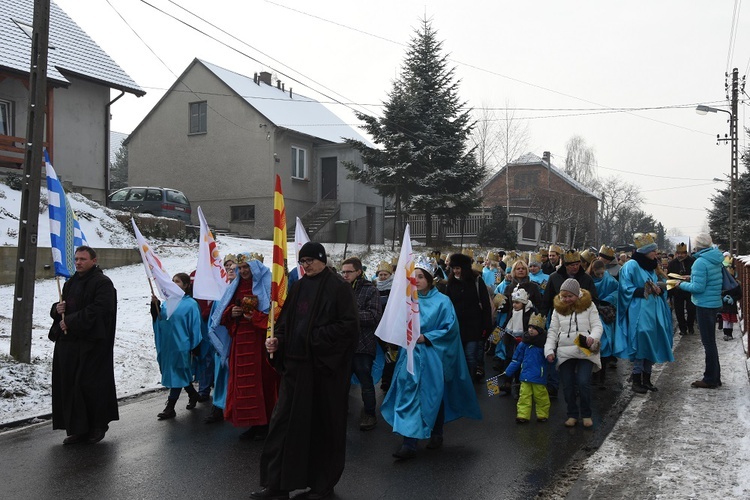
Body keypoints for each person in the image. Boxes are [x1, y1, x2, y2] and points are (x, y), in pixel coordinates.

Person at [252, 242, 359, 500]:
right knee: (283, 426)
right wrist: (278, 340)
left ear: (322, 259)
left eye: (310, 260)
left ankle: (322, 485)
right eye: (302, 261)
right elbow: (287, 322)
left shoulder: (339, 288)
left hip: (323, 372)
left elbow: (348, 328)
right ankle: (277, 484)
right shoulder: (298, 286)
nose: (306, 265)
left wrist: (311, 338)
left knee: (322, 428)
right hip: (295, 370)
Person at [381, 257, 481, 460]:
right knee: (408, 394)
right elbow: (398, 323)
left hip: (432, 356)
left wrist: (426, 337)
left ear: (429, 278)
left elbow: (450, 329)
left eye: (420, 276)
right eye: (413, 276)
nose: (416, 280)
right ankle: (409, 442)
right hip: (409, 356)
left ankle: (436, 433)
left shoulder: (442, 302)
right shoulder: (408, 300)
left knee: (433, 395)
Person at [49, 246, 118, 445]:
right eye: (76, 259)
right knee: (71, 386)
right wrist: (57, 309)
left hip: (93, 345)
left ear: (93, 261)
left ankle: (97, 426)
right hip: (70, 345)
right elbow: (64, 307)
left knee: (90, 386)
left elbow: (100, 310)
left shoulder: (102, 283)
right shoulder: (70, 283)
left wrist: (71, 320)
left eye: (83, 259)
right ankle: (78, 428)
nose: (78, 262)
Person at [211, 252, 279, 439]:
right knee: (243, 384)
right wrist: (231, 313)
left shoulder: (267, 285)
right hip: (240, 342)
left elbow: (276, 317)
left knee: (262, 383)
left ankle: (266, 424)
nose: (243, 271)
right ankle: (253, 423)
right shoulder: (235, 286)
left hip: (260, 343)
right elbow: (223, 315)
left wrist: (254, 317)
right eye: (240, 268)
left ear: (255, 267)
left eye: (246, 267)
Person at [614, 233, 674, 394]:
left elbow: (657, 284)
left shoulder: (651, 265)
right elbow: (625, 288)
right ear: (645, 251)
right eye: (653, 251)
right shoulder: (631, 265)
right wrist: (644, 290)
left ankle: (647, 379)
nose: (656, 254)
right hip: (639, 310)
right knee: (641, 341)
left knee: (652, 342)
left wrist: (659, 289)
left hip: (654, 309)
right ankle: (636, 379)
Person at [544, 279, 603, 428]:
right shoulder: (558, 309)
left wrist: (593, 337)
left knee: (583, 382)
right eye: (564, 296)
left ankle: (586, 414)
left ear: (577, 294)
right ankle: (572, 414)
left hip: (585, 348)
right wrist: (549, 349)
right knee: (568, 385)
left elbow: (597, 325)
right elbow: (552, 331)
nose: (567, 299)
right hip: (565, 349)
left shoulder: (589, 305)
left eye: (570, 296)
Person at [150, 273, 202, 420]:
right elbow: (161, 321)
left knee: (177, 374)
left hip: (182, 345)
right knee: (180, 373)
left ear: (186, 285)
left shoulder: (191, 304)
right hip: (168, 345)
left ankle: (170, 407)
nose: (174, 284)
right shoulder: (167, 302)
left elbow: (195, 326)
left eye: (177, 282)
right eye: (172, 281)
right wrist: (155, 308)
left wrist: (195, 345)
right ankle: (193, 394)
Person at [674, 234, 723, 388]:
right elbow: (709, 281)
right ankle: (715, 376)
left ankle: (710, 379)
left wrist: (679, 285)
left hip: (704, 304)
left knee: (708, 343)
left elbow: (698, 288)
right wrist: (691, 278)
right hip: (714, 302)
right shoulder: (715, 258)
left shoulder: (700, 262)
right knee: (711, 343)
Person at [341, 257, 383, 431]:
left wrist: (351, 316)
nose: (345, 275)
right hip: (342, 343)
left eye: (348, 272)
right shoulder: (340, 289)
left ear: (358, 271)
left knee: (365, 379)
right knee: (341, 381)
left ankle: (369, 413)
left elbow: (374, 316)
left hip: (363, 343)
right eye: (343, 272)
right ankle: (339, 411)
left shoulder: (370, 290)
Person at [446, 252, 493, 381]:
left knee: (470, 355)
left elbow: (485, 304)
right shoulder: (451, 283)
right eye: (453, 268)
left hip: (474, 325)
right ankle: (460, 380)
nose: (455, 271)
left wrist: (486, 325)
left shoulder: (477, 281)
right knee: (458, 355)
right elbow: (447, 304)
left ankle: (469, 381)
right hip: (457, 325)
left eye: (458, 268)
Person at [203, 254, 237, 424]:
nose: (230, 269)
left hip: (235, 341)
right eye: (227, 266)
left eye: (233, 266)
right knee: (220, 376)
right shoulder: (221, 292)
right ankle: (218, 407)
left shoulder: (243, 290)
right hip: (221, 343)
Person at [503, 313, 550, 423]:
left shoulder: (544, 344)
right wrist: (508, 371)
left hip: (539, 376)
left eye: (534, 328)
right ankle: (523, 415)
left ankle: (542, 414)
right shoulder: (523, 344)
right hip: (525, 376)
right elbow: (516, 359)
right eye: (529, 327)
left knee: (541, 397)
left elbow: (551, 358)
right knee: (524, 396)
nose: (531, 330)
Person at [588, 260, 618, 385]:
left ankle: (602, 377)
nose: (600, 276)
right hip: (591, 314)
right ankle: (593, 374)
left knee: (605, 344)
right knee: (591, 345)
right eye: (598, 273)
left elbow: (617, 291)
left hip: (604, 315)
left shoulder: (609, 280)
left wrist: (607, 301)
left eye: (602, 273)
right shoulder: (588, 280)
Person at [667, 242, 696, 335]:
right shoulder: (672, 263)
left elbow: (696, 274)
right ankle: (682, 328)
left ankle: (690, 326)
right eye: (678, 253)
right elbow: (669, 276)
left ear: (686, 253)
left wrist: (690, 277)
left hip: (689, 289)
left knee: (691, 309)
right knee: (679, 311)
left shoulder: (692, 261)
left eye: (682, 253)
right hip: (677, 290)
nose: (680, 255)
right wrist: (670, 293)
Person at [720, 254, 742, 341]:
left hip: (731, 305)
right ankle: (726, 334)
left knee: (730, 320)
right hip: (724, 305)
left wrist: (733, 298)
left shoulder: (736, 284)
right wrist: (722, 297)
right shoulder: (721, 283)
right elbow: (717, 292)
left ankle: (730, 333)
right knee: (725, 320)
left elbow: (739, 294)